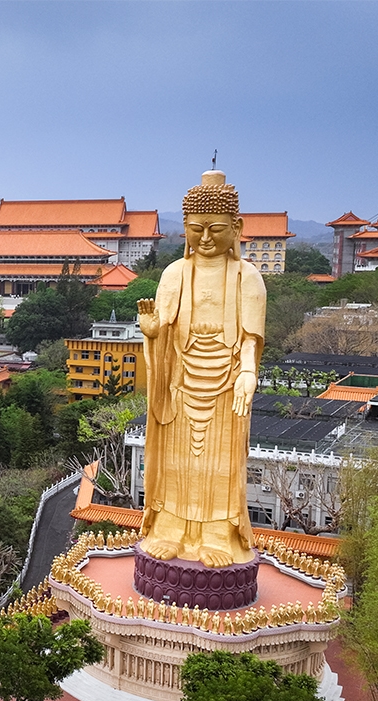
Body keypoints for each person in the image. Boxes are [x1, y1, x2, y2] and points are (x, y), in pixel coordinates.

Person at [136, 171, 266, 568]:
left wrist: (248, 373)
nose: (205, 238)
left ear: (236, 228)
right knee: (176, 462)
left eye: (216, 229)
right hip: (179, 380)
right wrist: (153, 332)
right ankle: (170, 528)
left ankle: (216, 534)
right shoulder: (174, 273)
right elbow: (163, 328)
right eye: (196, 230)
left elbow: (251, 336)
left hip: (226, 383)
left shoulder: (247, 276)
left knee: (221, 464)